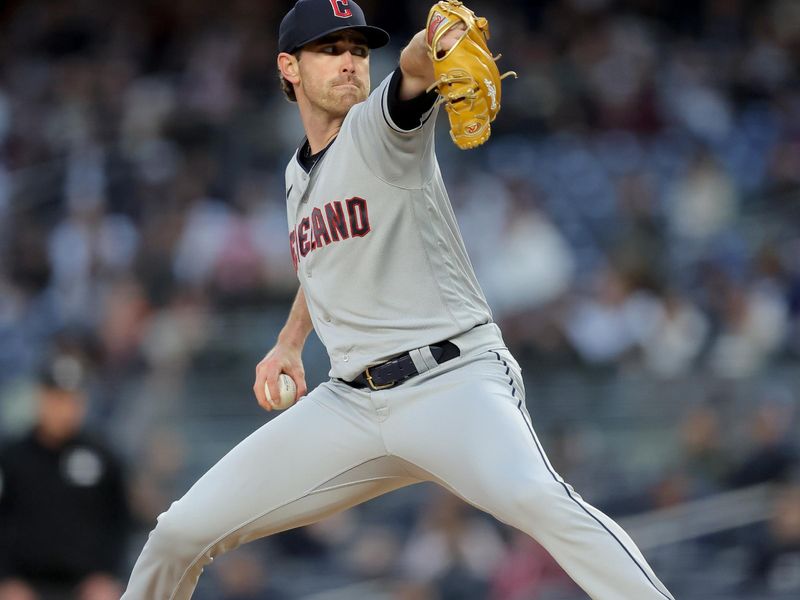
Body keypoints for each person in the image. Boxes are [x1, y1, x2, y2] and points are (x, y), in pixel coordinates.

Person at [122, 1, 675, 598]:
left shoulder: (378, 128)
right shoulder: (294, 177)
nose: (350, 63)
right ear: (289, 67)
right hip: (350, 406)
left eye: (358, 51)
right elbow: (324, 265)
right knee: (178, 532)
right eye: (330, 50)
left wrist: (436, 38)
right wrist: (288, 342)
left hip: (451, 384)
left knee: (539, 500)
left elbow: (413, 67)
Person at [0, 355, 130, 600]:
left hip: (87, 585)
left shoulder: (102, 456)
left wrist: (109, 575)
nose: (64, 409)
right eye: (57, 398)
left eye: (72, 400)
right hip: (24, 585)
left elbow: (119, 522)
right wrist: (5, 578)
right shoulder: (11, 457)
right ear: (40, 398)